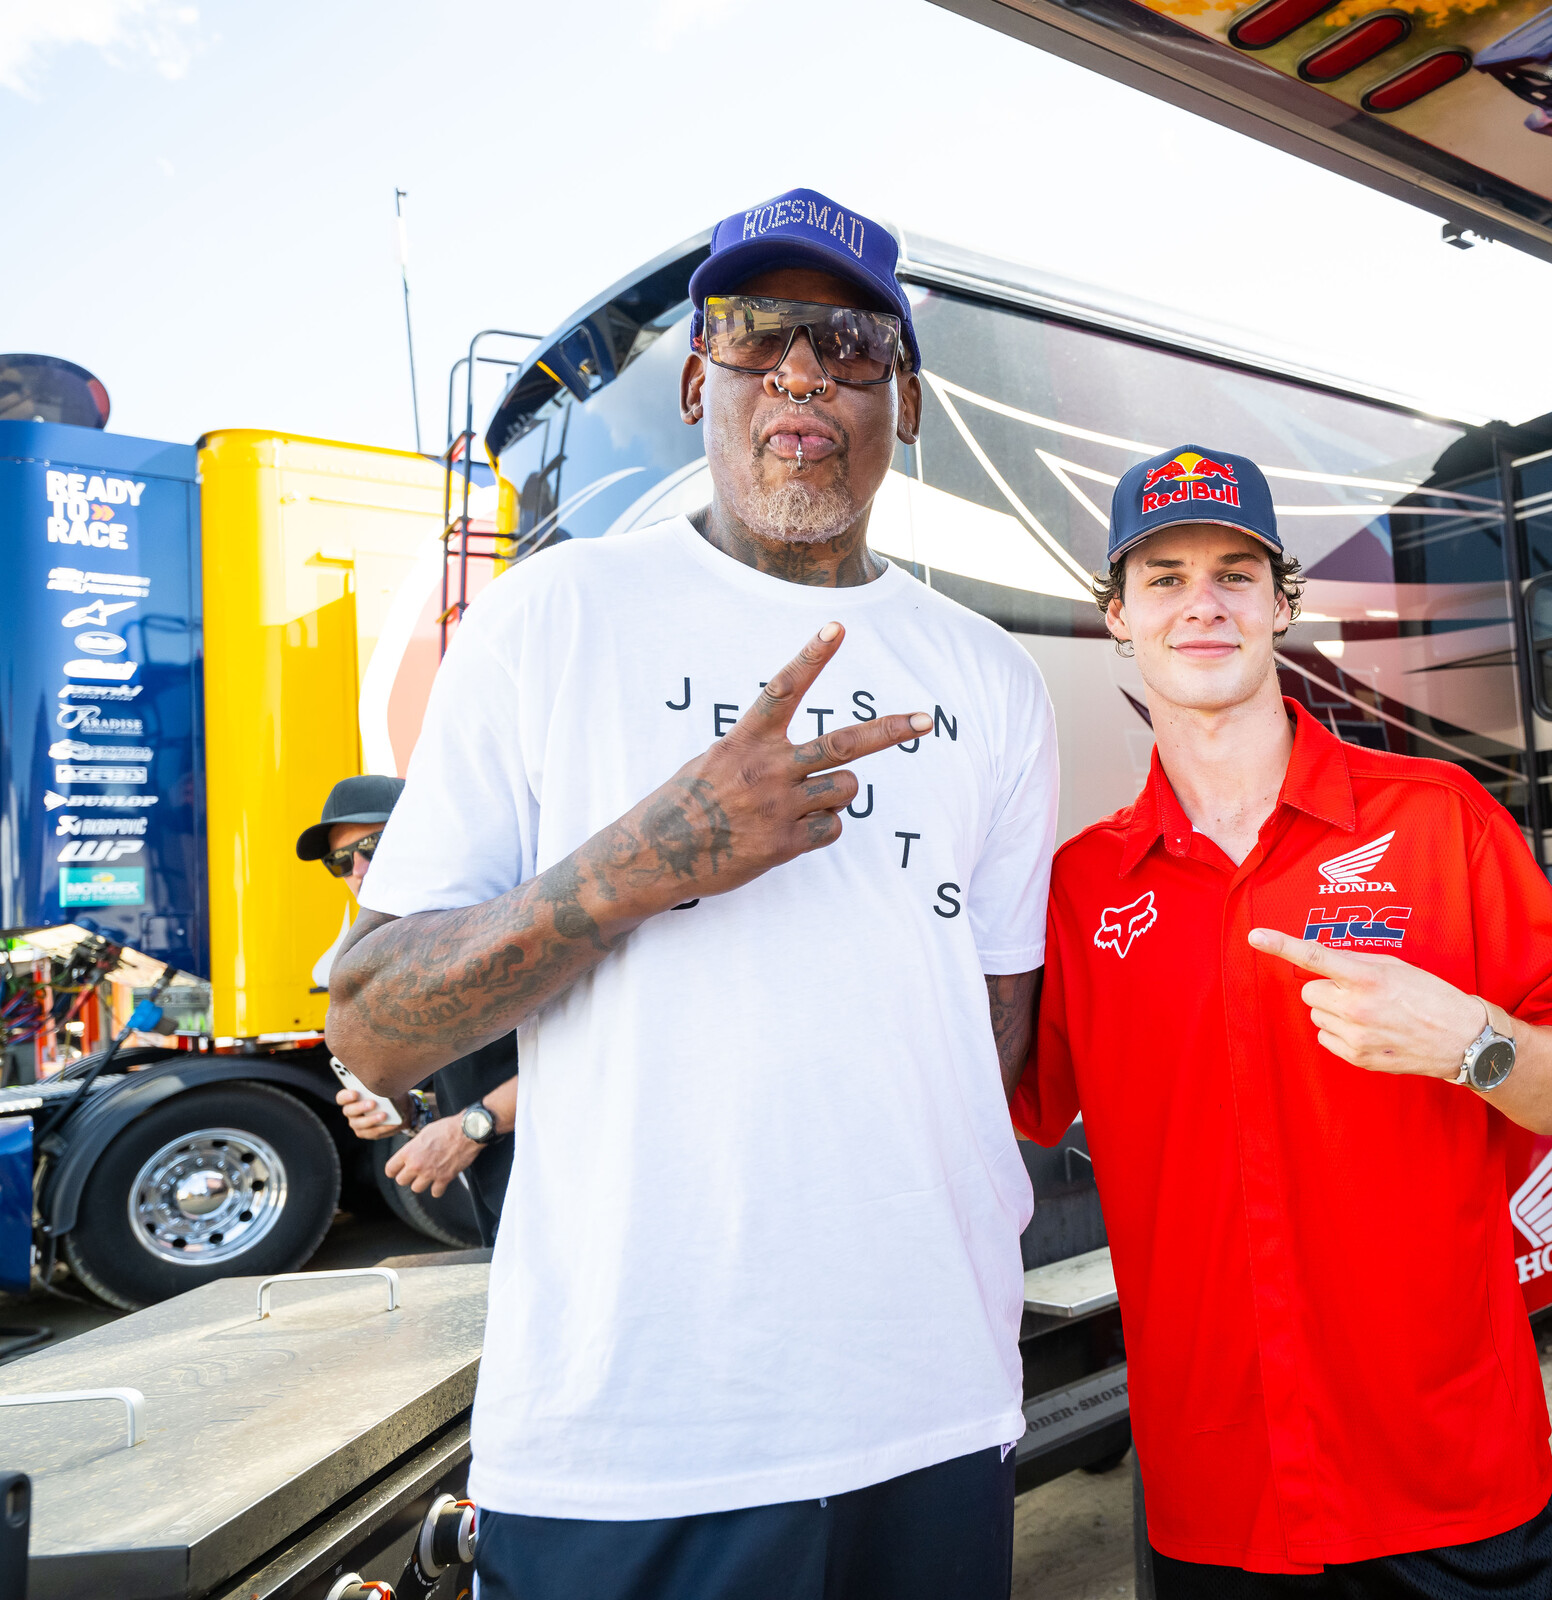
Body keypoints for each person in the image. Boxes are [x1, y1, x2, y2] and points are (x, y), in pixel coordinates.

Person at [324, 187, 1058, 1600]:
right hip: (637, 1439)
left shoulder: (993, 675)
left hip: (935, 1402)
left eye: (850, 346)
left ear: (901, 402)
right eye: (756, 336)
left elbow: (999, 1035)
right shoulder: (556, 615)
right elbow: (372, 1025)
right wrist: (646, 863)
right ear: (693, 381)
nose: (801, 374)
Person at [1011, 445, 1552, 1597]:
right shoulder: (1079, 889)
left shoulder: (1442, 822)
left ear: (1284, 606)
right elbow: (989, 1100)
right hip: (1219, 1497)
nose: (1203, 601)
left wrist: (1472, 1042)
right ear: (1116, 618)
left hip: (1451, 1475)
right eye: (1165, 576)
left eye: (1237, 572)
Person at [300, 775, 518, 1241]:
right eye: (339, 860)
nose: (358, 869)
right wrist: (411, 1111)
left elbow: (595, 1054)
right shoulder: (411, 951)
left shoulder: (508, 918)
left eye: (375, 846)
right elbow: (482, 1073)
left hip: (577, 1188)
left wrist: (470, 1129)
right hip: (503, 1203)